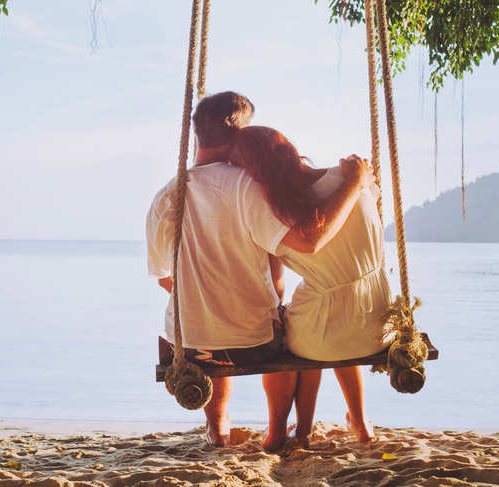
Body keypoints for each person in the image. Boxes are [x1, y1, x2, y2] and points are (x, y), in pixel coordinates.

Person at [146, 91, 376, 447]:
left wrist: (205, 299)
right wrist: (352, 182)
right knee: (286, 333)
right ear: (240, 133)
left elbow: (163, 276)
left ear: (197, 135)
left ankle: (218, 428)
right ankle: (277, 431)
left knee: (217, 328)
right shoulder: (249, 189)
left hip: (192, 345)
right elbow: (300, 246)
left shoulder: (166, 196)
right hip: (255, 344)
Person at [230, 125, 393, 448]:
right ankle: (360, 422)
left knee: (297, 330)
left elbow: (276, 287)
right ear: (290, 148)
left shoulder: (275, 216)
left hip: (324, 333)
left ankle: (293, 431)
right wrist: (356, 180)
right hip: (379, 323)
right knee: (329, 317)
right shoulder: (357, 180)